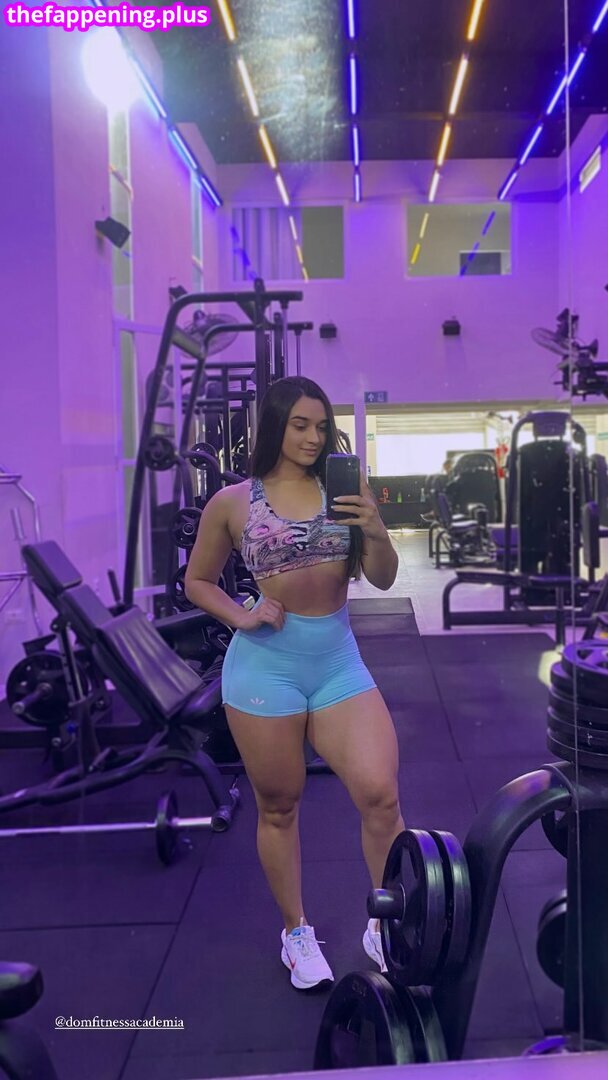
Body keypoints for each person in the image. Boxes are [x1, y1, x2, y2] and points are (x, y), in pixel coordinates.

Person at [185, 376, 404, 990]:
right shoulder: (233, 501)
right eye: (299, 424)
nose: (311, 437)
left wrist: (376, 527)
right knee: (279, 806)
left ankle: (384, 921)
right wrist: (241, 615)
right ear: (275, 425)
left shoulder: (345, 491)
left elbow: (384, 579)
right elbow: (197, 581)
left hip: (337, 662)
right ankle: (296, 932)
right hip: (265, 668)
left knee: (381, 795)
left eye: (320, 425)